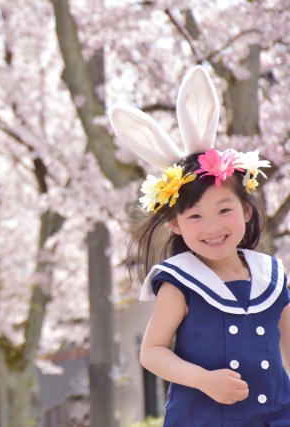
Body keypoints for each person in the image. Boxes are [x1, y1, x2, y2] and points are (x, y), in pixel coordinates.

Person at [109, 66, 290, 426]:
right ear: (174, 224)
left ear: (247, 211)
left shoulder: (270, 274)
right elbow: (152, 352)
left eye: (225, 210)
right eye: (195, 217)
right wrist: (203, 380)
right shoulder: (181, 280)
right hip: (205, 417)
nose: (212, 227)